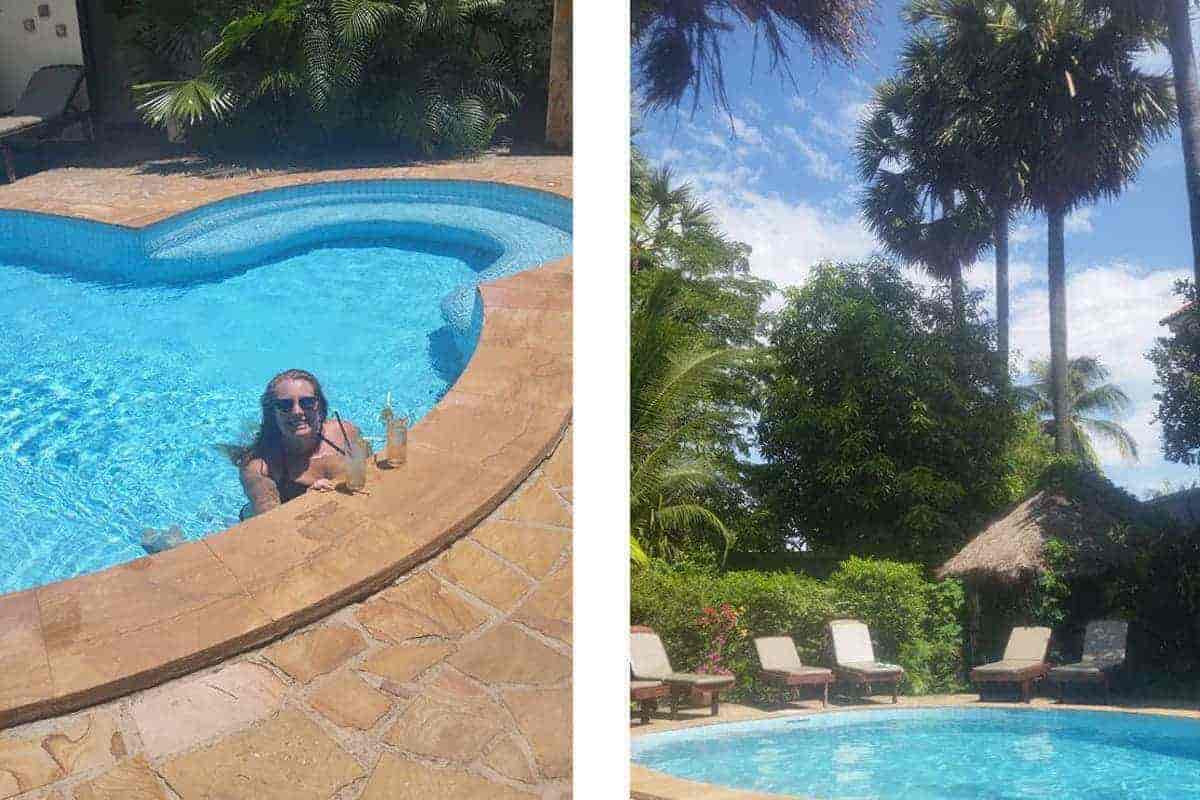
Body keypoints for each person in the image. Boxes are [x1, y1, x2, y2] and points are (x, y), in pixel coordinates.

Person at [234, 369, 360, 517]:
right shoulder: (258, 468)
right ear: (272, 413)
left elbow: (369, 471)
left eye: (307, 402)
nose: (297, 411)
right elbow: (271, 524)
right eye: (285, 405)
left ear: (319, 406)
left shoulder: (346, 433)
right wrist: (306, 503)